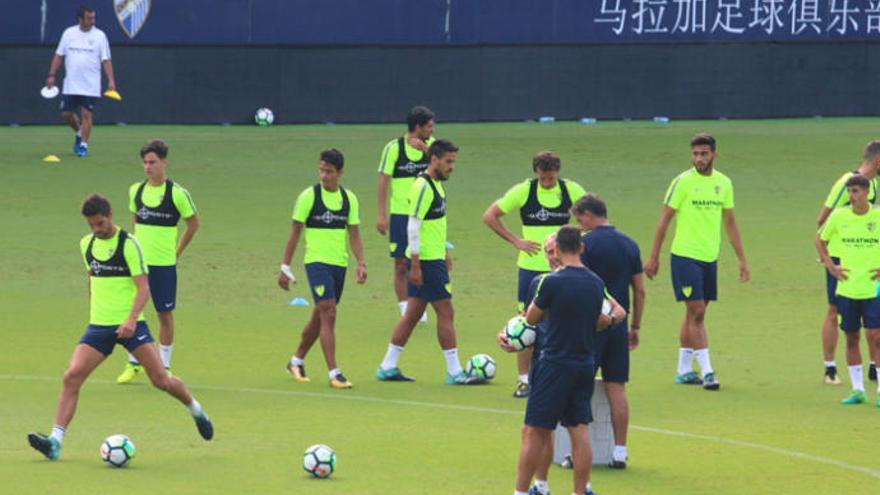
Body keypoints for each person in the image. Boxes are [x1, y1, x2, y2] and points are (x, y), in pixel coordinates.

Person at [27, 194, 212, 461]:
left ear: (110, 216)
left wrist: (129, 319)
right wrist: (95, 313)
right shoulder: (86, 244)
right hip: (99, 326)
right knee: (71, 377)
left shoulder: (129, 245)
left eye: (100, 224)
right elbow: (93, 280)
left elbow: (143, 287)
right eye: (91, 225)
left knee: (161, 380)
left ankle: (196, 410)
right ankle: (55, 441)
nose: (97, 230)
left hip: (132, 325)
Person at [508, 226, 626, 495]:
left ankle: (522, 492)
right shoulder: (595, 283)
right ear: (581, 248)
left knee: (534, 429)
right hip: (584, 362)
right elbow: (599, 320)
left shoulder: (551, 282)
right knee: (578, 428)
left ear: (558, 250)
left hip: (554, 363)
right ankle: (579, 491)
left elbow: (531, 319)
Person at [644, 133, 749, 391]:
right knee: (698, 312)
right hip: (684, 257)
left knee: (694, 313)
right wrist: (654, 256)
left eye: (704, 154)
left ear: (714, 154)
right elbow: (664, 221)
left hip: (709, 257)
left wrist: (742, 259)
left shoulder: (724, 183)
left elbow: (730, 223)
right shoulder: (682, 182)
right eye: (695, 154)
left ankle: (683, 370)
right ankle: (708, 372)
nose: (699, 159)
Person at [482, 151, 586, 398]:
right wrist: (515, 240)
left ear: (557, 172)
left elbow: (592, 218)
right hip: (530, 270)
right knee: (525, 323)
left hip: (564, 269)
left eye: (551, 178)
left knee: (566, 320)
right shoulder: (524, 191)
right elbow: (490, 216)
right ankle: (524, 381)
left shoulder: (571, 190)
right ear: (536, 172)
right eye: (543, 178)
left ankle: (564, 376)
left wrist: (575, 243)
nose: (548, 182)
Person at [376, 139, 478, 384]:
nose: (452, 166)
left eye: (453, 161)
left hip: (433, 257)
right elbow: (413, 225)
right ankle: (454, 372)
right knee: (446, 311)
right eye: (448, 161)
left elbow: (434, 225)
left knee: (412, 314)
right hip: (426, 262)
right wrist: (417, 264)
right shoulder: (423, 186)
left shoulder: (436, 185)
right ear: (434, 159)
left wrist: (443, 250)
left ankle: (387, 366)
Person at [278, 149, 366, 389]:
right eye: (321, 170)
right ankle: (334, 373)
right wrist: (284, 266)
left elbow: (354, 234)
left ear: (340, 173)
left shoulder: (349, 199)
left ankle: (296, 361)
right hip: (316, 263)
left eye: (329, 171)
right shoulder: (308, 197)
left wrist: (361, 262)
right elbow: (295, 232)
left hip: (339, 264)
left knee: (320, 315)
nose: (324, 175)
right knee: (329, 313)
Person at [117, 140, 200, 383]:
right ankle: (134, 362)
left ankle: (164, 365)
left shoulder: (177, 194)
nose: (147, 167)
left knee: (164, 313)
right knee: (133, 312)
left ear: (164, 162)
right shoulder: (136, 191)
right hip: (139, 266)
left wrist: (177, 251)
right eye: (144, 162)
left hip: (164, 265)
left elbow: (193, 223)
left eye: (152, 162)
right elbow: (135, 224)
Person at [573, 193, 645, 469]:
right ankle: (619, 451)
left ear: (589, 215)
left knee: (581, 387)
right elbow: (639, 290)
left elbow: (584, 285)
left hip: (591, 326)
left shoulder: (585, 245)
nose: (580, 226)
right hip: (619, 325)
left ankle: (578, 451)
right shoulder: (630, 244)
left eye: (580, 220)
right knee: (617, 387)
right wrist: (635, 325)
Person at [815, 141, 880, 385]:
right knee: (835, 310)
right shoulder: (846, 183)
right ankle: (830, 368)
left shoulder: (872, 184)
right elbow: (822, 220)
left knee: (873, 313)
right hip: (842, 260)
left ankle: (874, 366)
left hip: (866, 260)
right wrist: (829, 260)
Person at [377, 106, 436, 323]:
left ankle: (419, 302)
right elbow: (383, 181)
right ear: (418, 127)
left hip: (428, 216)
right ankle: (406, 309)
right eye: (429, 126)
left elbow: (443, 170)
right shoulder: (394, 148)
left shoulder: (432, 146)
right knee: (401, 263)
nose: (432, 130)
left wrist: (425, 151)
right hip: (401, 214)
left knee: (425, 260)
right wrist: (382, 215)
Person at [45, 5, 116, 158]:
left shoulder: (100, 36)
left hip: (90, 85)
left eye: (93, 18)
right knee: (66, 114)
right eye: (89, 18)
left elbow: (106, 60)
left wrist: (111, 80)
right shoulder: (69, 33)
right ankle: (79, 132)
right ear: (80, 19)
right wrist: (52, 75)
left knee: (86, 114)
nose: (92, 21)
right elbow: (59, 55)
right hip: (71, 84)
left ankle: (83, 145)